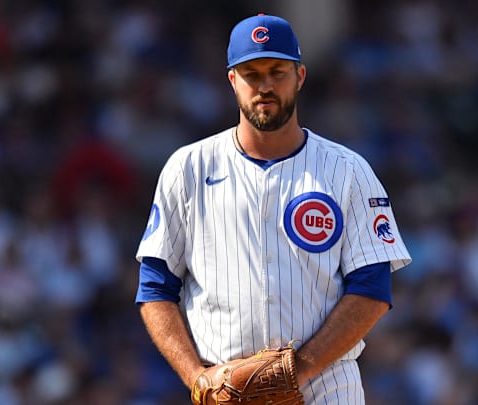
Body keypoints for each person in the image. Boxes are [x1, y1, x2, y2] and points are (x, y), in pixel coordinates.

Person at [134, 13, 411, 404]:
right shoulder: (189, 168)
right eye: (251, 73)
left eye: (277, 72)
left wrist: (297, 371)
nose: (264, 86)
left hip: (326, 388)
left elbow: (372, 289)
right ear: (233, 81)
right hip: (225, 392)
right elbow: (155, 287)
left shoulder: (347, 170)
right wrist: (197, 378)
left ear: (300, 76)